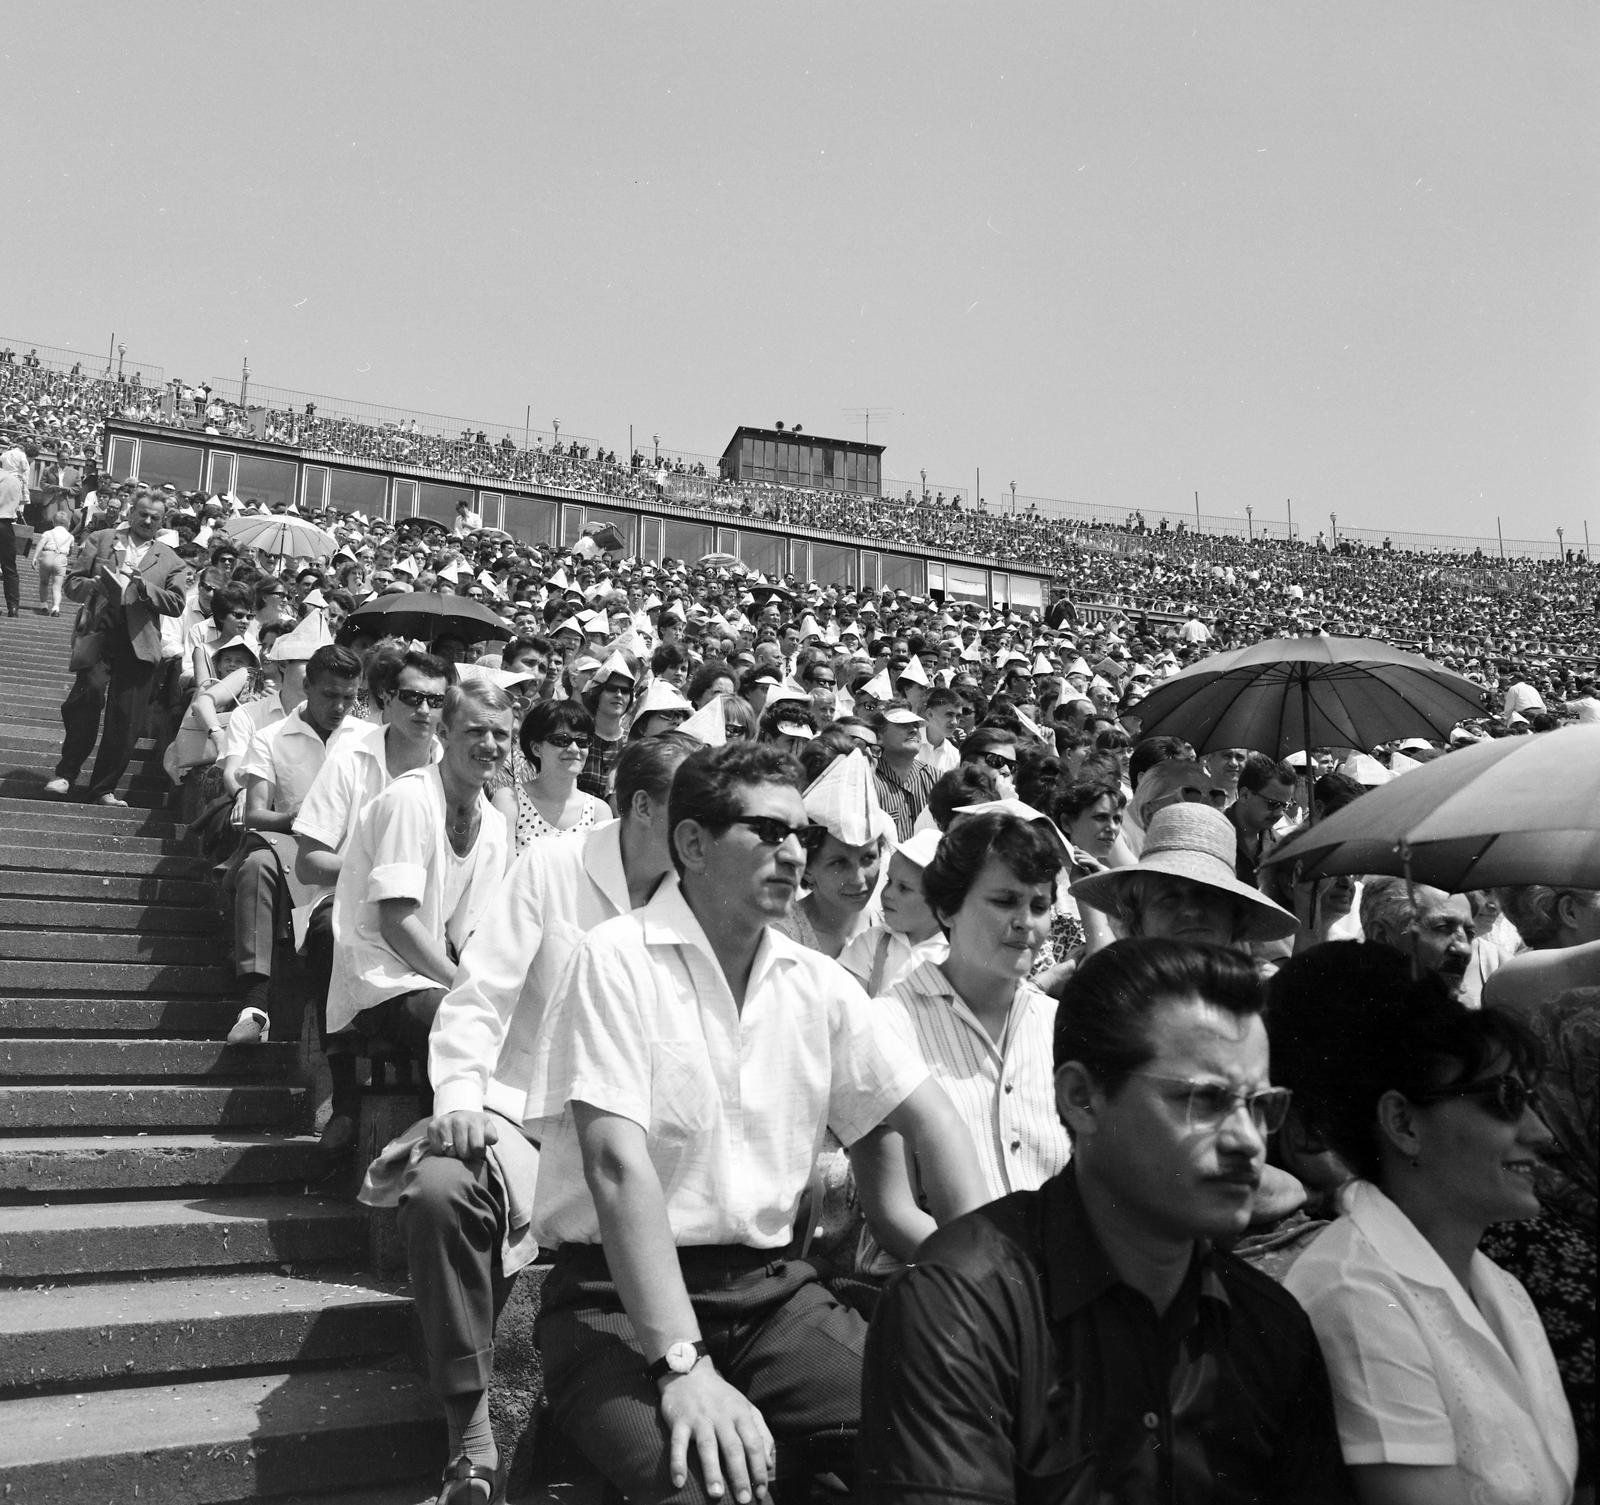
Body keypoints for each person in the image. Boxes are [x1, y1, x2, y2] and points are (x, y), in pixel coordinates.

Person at [526, 743, 990, 1505]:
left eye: (801, 835)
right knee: (707, 1492)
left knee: (949, 1439)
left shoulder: (818, 985)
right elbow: (616, 1166)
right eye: (768, 831)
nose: (793, 853)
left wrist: (992, 1290)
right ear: (693, 843)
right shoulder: (614, 959)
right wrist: (682, 1366)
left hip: (772, 1294)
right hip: (613, 1302)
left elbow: (929, 1114)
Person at [859, 940, 1353, 1504]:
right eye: (1207, 1102)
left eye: (1261, 1106)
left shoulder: (1271, 1328)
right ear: (1080, 1099)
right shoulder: (959, 1307)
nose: (1247, 1141)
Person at [369, 733, 698, 1502]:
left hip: (651, 1133)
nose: (711, 827)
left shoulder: (702, 889)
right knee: (441, 1190)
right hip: (527, 1118)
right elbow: (478, 998)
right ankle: (471, 1430)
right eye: (695, 807)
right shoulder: (553, 865)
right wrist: (455, 1102)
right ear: (645, 806)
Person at [1269, 944, 1578, 1505]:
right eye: (1505, 1100)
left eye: (1532, 1099)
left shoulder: (1500, 1287)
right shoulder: (1355, 1294)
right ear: (1403, 1122)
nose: (1540, 1133)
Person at [857, 812, 1073, 1275]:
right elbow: (894, 1213)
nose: (1025, 923)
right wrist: (1002, 1285)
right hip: (939, 1287)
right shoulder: (887, 1024)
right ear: (948, 908)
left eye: (1039, 906)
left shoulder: (1060, 1026)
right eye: (1004, 901)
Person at [292, 648, 451, 1147]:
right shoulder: (352, 758)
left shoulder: (452, 768)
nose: (424, 710)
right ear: (385, 699)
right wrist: (376, 875)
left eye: (436, 700)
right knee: (327, 933)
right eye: (411, 697)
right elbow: (309, 861)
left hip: (426, 916)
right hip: (344, 904)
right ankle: (344, 1100)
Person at [325, 680, 513, 1066]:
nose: (490, 745)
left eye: (501, 733)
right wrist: (465, 986)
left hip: (435, 975)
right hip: (379, 978)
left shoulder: (494, 823)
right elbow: (396, 922)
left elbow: (475, 928)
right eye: (476, 731)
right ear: (443, 733)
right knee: (467, 1028)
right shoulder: (410, 799)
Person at [223, 643, 367, 1045]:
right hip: (293, 844)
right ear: (307, 686)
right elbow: (254, 813)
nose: (339, 707)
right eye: (329, 695)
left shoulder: (371, 738)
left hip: (354, 852)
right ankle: (254, 1003)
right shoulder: (272, 737)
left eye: (349, 697)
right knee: (255, 866)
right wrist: (297, 817)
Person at [46, 491, 193, 804]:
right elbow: (72, 584)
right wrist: (96, 584)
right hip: (100, 637)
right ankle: (66, 773)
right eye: (143, 513)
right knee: (86, 702)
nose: (148, 521)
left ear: (163, 520)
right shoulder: (102, 538)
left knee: (125, 721)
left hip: (140, 646)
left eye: (155, 517)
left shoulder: (171, 560)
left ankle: (104, 788)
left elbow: (177, 603)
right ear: (132, 511)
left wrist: (143, 587)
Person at [1071, 801, 1298, 953]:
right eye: (1169, 898)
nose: (1190, 910)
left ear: (1235, 915)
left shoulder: (1259, 1009)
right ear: (1137, 918)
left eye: (1208, 896)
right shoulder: (1114, 1006)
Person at [491, 699, 608, 853]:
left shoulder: (599, 812)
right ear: (536, 748)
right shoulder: (509, 801)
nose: (574, 749)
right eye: (561, 740)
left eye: (582, 741)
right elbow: (506, 874)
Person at [1226, 751, 1296, 885]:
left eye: (1285, 805)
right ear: (1245, 795)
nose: (1280, 813)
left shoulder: (1280, 847)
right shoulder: (1212, 834)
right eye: (1273, 804)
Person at [871, 700, 936, 840]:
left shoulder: (935, 777)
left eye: (915, 725)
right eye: (903, 725)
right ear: (879, 737)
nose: (913, 730)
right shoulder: (869, 780)